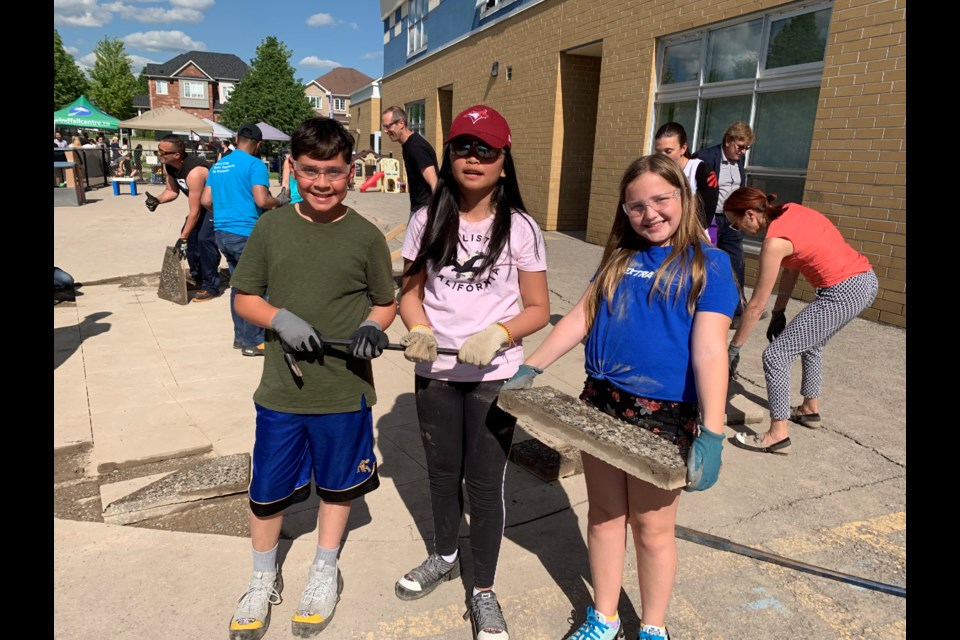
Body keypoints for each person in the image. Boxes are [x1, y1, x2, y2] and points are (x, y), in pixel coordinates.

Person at [502, 154, 738, 640]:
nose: (649, 213)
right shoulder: (619, 259)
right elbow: (579, 317)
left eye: (660, 199)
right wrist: (533, 365)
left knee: (652, 531)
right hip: (602, 402)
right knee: (605, 515)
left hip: (663, 416)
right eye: (635, 206)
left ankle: (653, 627)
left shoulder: (710, 265)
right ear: (624, 212)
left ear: (683, 198)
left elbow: (711, 350)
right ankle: (604, 617)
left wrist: (712, 433)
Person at [226, 116, 396, 640]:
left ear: (351, 172)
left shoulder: (366, 237)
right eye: (310, 171)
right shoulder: (271, 228)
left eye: (335, 172)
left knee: (338, 486)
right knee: (269, 489)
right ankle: (261, 578)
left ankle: (324, 569)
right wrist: (279, 318)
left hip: (344, 388)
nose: (322, 182)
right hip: (282, 388)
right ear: (292, 168)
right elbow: (244, 297)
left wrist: (372, 325)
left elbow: (386, 303)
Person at [395, 105, 549, 640]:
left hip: (493, 376)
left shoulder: (522, 228)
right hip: (435, 372)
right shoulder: (426, 218)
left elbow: (537, 308)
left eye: (487, 149)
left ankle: (483, 588)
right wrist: (416, 327)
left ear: (504, 163)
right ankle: (443, 554)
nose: (473, 158)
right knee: (441, 476)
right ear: (450, 156)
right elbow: (410, 292)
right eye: (463, 147)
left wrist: (500, 334)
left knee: (484, 486)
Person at [723, 187, 878, 455]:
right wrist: (780, 311)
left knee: (776, 355)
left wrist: (734, 348)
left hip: (843, 291)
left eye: (736, 224)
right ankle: (809, 409)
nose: (738, 229)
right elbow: (792, 266)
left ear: (749, 214)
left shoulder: (773, 242)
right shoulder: (791, 212)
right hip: (865, 281)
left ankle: (777, 434)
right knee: (812, 344)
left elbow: (756, 304)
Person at [201, 123, 286, 358]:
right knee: (258, 288)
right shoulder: (255, 164)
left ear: (237, 139)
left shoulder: (218, 166)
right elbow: (262, 200)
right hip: (246, 234)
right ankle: (254, 341)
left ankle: (240, 337)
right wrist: (280, 201)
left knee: (238, 286)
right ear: (258, 145)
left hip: (222, 234)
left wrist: (227, 210)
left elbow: (206, 200)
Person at [144, 134, 221, 301]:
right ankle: (197, 277)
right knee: (191, 240)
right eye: (158, 150)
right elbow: (172, 191)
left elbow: (194, 211)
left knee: (204, 240)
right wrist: (157, 200)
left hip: (217, 207)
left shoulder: (195, 172)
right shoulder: (169, 166)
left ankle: (211, 286)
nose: (159, 154)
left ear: (177, 155)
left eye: (163, 152)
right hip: (202, 206)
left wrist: (183, 237)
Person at [692, 121, 755, 325]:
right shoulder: (705, 157)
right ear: (728, 141)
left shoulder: (739, 162)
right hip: (709, 219)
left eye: (746, 147)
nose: (743, 151)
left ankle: (738, 310)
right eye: (740, 146)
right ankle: (700, 308)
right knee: (706, 262)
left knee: (736, 262)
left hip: (731, 221)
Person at [653, 122, 719, 244]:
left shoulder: (701, 170)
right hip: (664, 239)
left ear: (683, 148)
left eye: (668, 151)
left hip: (694, 240)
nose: (662, 157)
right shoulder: (655, 172)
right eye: (658, 152)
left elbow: (705, 216)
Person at [380, 106, 439, 216]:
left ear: (401, 123)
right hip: (421, 208)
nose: (385, 131)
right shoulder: (408, 144)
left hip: (425, 210)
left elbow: (433, 180)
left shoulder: (415, 146)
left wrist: (438, 212)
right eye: (384, 127)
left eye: (388, 126)